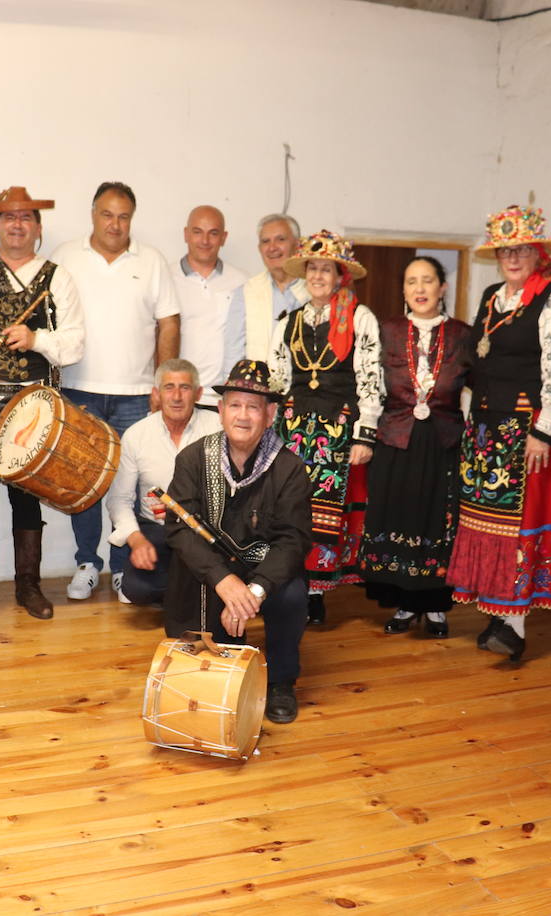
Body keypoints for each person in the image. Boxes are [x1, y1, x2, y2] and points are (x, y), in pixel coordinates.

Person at [446, 204, 551, 661]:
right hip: (486, 428)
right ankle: (499, 614)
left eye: (522, 249)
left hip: (526, 430)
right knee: (490, 526)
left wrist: (544, 429)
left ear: (538, 254)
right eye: (506, 251)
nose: (513, 258)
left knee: (519, 527)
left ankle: (516, 623)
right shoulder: (491, 297)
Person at [0, 186, 85, 620]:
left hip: (34, 409)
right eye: (7, 217)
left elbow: (76, 343)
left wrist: (37, 339)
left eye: (25, 217)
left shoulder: (56, 277)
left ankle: (28, 582)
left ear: (38, 227)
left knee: (28, 497)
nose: (16, 225)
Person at [51, 181, 181, 601]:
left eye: (124, 216)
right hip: (78, 389)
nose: (115, 223)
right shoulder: (65, 256)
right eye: (107, 214)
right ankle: (88, 562)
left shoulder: (153, 260)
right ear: (93, 214)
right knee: (84, 483)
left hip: (136, 394)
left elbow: (169, 323)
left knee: (131, 483)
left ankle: (126, 569)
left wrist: (163, 381)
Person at [164, 360, 312, 723]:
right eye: (234, 405)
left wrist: (254, 593)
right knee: (186, 581)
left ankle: (280, 681)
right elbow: (180, 528)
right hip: (212, 570)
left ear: (270, 413)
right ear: (220, 410)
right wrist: (224, 581)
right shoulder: (194, 459)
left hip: (264, 572)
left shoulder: (289, 467)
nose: (243, 416)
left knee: (292, 594)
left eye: (253, 406)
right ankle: (211, 659)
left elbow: (293, 540)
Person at [268, 229, 382, 625]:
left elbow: (370, 377)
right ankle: (292, 585)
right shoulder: (289, 320)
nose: (318, 275)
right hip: (295, 429)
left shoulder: (359, 318)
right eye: (312, 268)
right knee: (291, 509)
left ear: (339, 276)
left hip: (337, 430)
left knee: (326, 513)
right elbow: (279, 380)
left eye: (326, 269)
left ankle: (316, 592)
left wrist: (365, 431)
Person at [358, 256, 472, 638]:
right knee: (402, 519)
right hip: (396, 438)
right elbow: (369, 382)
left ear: (442, 287)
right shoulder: (386, 329)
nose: (420, 289)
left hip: (444, 441)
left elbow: (483, 384)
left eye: (428, 281)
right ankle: (407, 604)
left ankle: (437, 609)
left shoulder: (463, 334)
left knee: (438, 523)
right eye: (412, 282)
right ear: (403, 290)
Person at [107, 359, 222, 605]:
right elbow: (119, 500)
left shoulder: (218, 428)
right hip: (158, 530)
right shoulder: (136, 435)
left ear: (199, 393)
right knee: (135, 589)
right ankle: (200, 589)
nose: (177, 396)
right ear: (156, 394)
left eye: (185, 388)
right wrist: (136, 540)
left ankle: (192, 587)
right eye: (169, 388)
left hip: (207, 531)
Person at [173, 205, 246, 408]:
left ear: (224, 237)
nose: (205, 241)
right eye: (197, 232)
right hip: (179, 398)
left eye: (213, 233)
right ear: (186, 234)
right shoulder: (165, 278)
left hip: (224, 399)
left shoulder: (242, 281)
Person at [222, 214, 308, 368]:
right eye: (265, 241)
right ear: (259, 249)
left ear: (297, 244)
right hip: (259, 388)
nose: (272, 247)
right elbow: (233, 351)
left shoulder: (314, 290)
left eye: (280, 239)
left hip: (305, 387)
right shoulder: (247, 291)